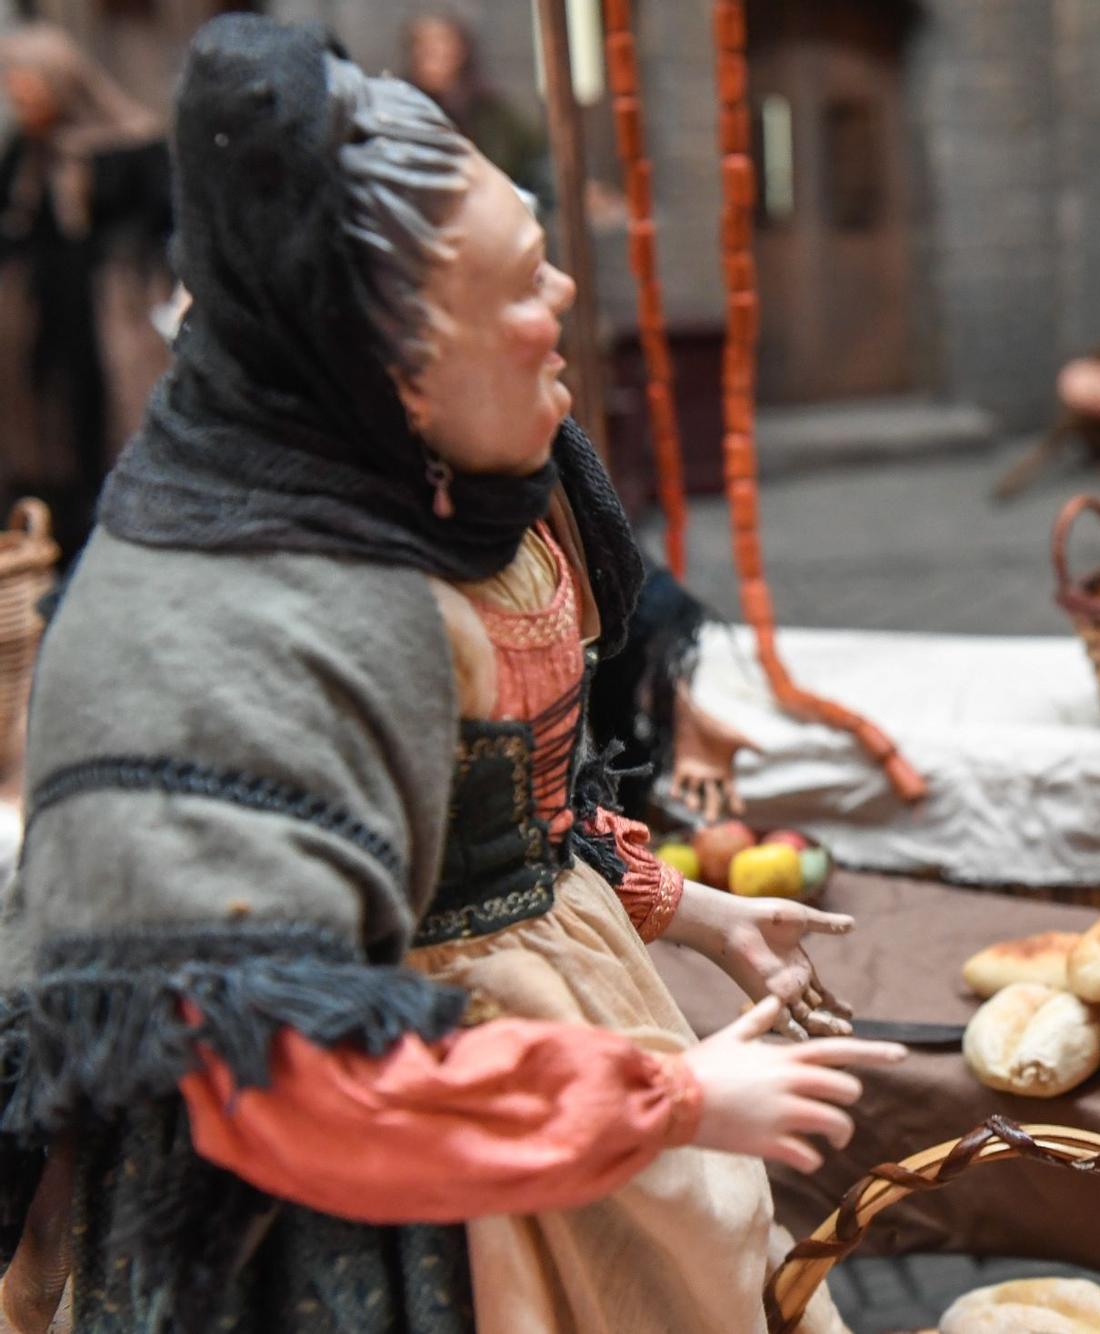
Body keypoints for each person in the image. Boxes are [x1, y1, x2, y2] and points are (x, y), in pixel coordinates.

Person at [0, 17, 898, 1332]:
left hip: (559, 1042)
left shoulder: (495, 503)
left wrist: (696, 910)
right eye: (520, 292)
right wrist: (672, 1103)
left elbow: (508, 835)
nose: (565, 310)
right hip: (385, 1146)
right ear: (392, 370)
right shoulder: (234, 621)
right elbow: (282, 1073)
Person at [0, 24, 171, 561]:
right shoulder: (25, 153)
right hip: (48, 315)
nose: (14, 92)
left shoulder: (130, 144)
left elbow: (164, 225)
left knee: (113, 424)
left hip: (115, 318)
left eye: (22, 79)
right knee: (55, 431)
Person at [405, 8, 550, 205]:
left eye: (443, 44)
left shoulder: (491, 112)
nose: (436, 55)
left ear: (461, 50)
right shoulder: (402, 113)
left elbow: (534, 162)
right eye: (426, 47)